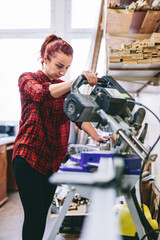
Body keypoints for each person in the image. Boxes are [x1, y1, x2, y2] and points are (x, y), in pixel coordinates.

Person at [12, 34, 109, 240]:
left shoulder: (64, 87)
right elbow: (42, 94)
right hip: (28, 157)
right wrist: (74, 82)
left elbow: (79, 118)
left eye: (66, 68)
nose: (62, 72)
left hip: (51, 162)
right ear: (44, 59)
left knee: (42, 216)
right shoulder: (26, 79)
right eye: (59, 66)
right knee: (34, 216)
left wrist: (98, 136)